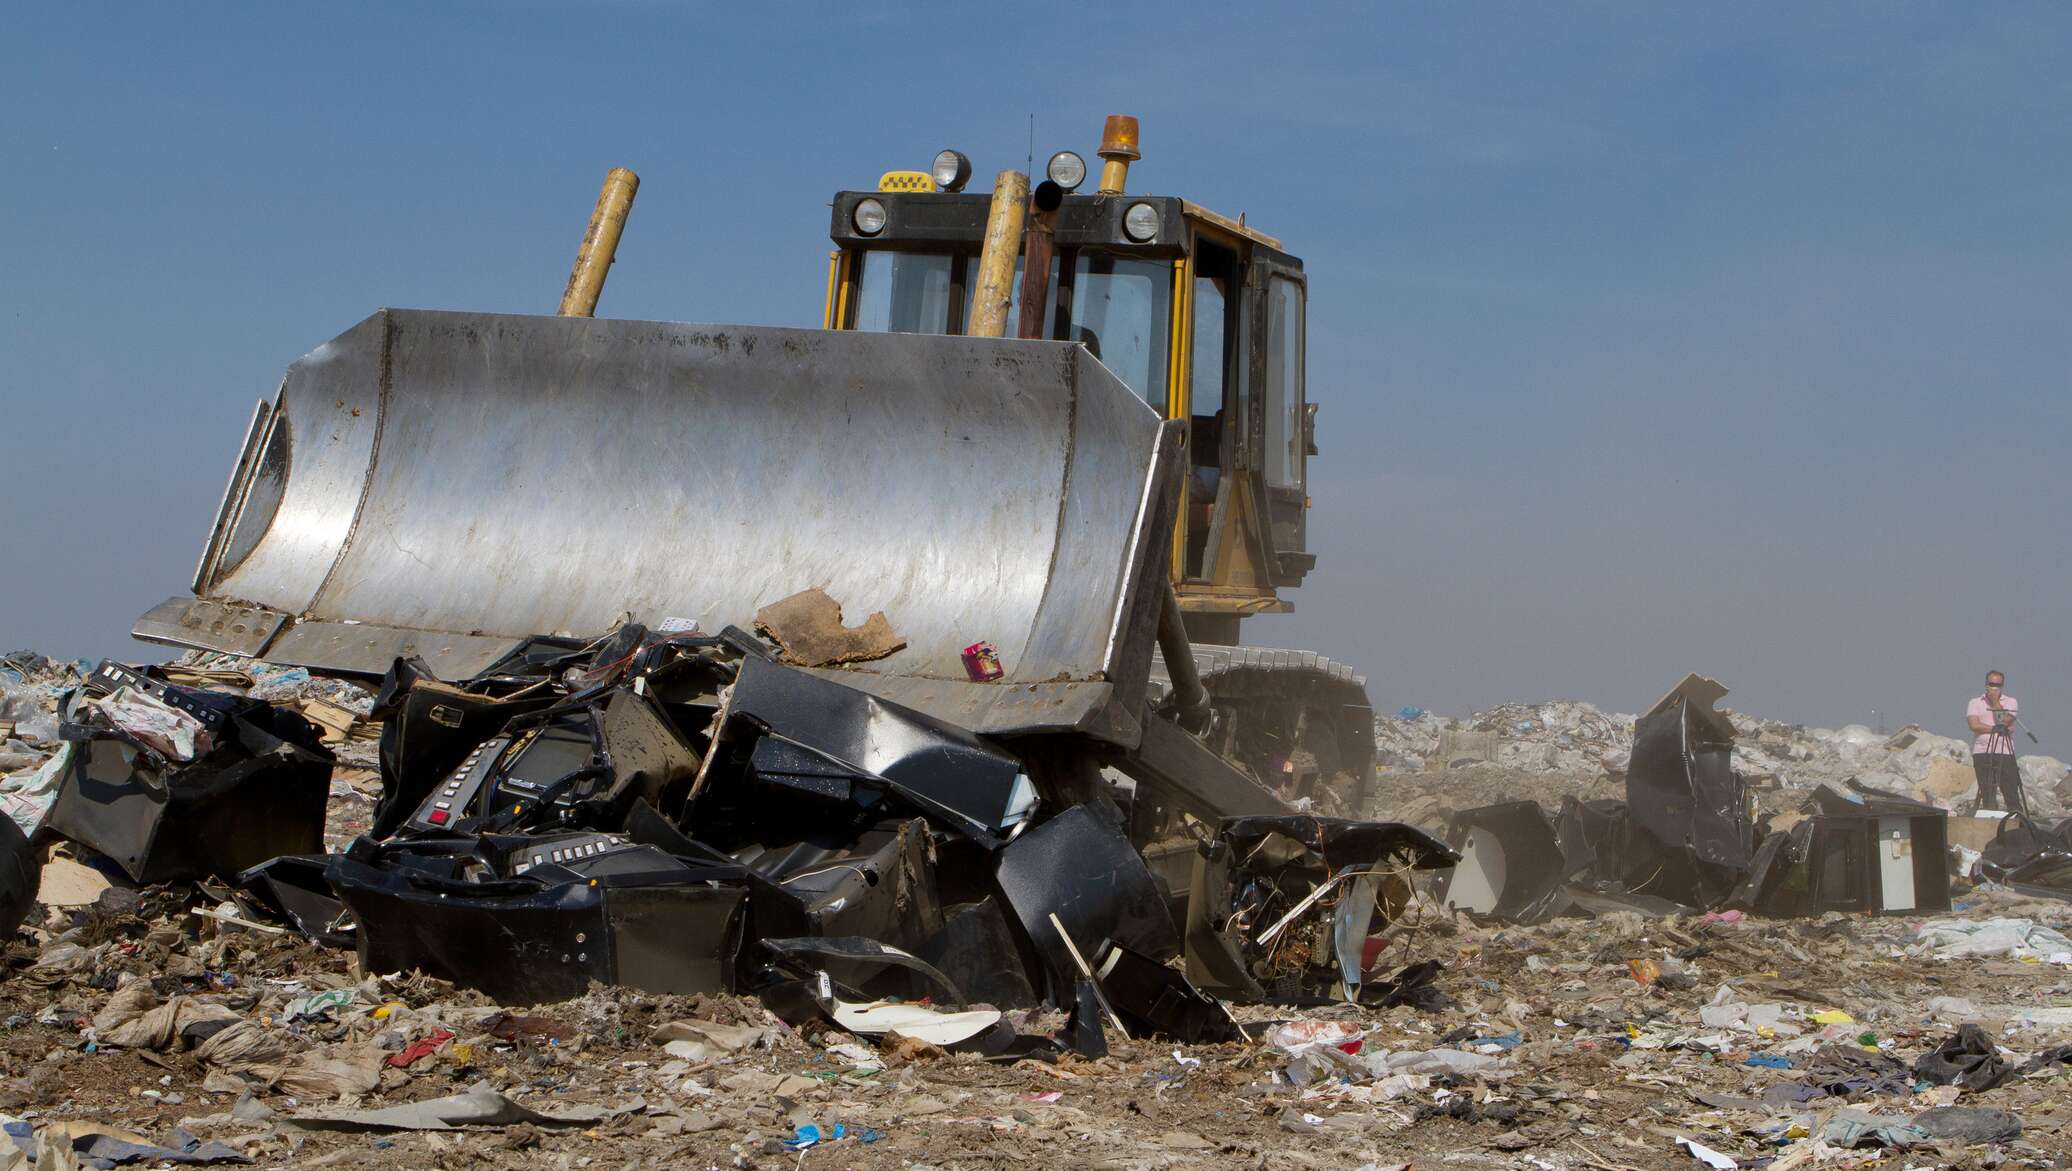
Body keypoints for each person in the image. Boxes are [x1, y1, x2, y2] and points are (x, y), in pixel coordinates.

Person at [1967, 670, 2026, 814]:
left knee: (2010, 789)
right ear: (1986, 684)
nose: (1994, 688)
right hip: (1983, 752)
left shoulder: (2011, 702)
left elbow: (2004, 721)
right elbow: (1974, 725)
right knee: (1987, 791)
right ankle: (1991, 819)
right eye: (1991, 684)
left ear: (2002, 686)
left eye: (1997, 685)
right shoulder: (1975, 702)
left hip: (2005, 752)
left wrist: (1994, 702)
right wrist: (1997, 729)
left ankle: (2017, 818)